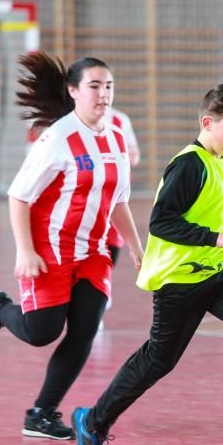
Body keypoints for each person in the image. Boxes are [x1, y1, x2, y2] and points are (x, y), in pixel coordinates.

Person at [70, 83, 223, 445]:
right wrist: (217, 239)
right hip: (180, 280)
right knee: (159, 360)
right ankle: (92, 422)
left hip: (219, 271)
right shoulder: (188, 164)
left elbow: (210, 218)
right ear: (208, 122)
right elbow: (161, 223)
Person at [0, 52, 143, 441]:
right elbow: (19, 197)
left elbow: (119, 200)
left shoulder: (115, 137)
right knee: (42, 332)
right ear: (74, 91)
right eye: (94, 86)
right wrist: (24, 251)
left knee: (84, 330)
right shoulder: (56, 138)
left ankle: (41, 413)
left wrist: (135, 247)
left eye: (108, 86)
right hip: (50, 248)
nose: (103, 94)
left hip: (94, 252)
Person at [99, 106, 141, 328]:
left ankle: (100, 291)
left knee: (112, 243)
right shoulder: (68, 123)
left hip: (113, 195)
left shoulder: (119, 121)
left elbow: (133, 155)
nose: (104, 92)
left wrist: (130, 155)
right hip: (84, 198)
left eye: (108, 86)